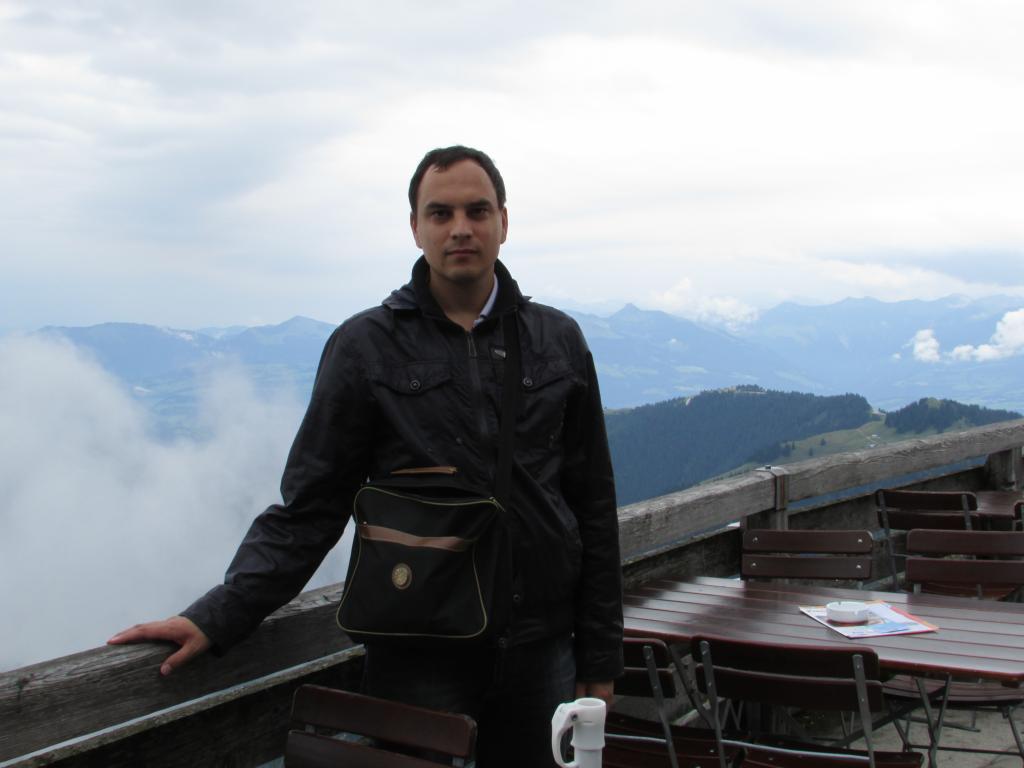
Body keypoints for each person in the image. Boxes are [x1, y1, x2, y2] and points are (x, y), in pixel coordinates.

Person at [109, 145, 623, 767]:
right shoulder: (366, 347)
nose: (460, 228)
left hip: (542, 648)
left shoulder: (557, 340)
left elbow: (592, 504)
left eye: (477, 210)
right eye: (440, 213)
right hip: (417, 654)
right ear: (415, 228)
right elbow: (311, 507)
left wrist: (600, 654)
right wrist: (217, 616)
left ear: (504, 222)